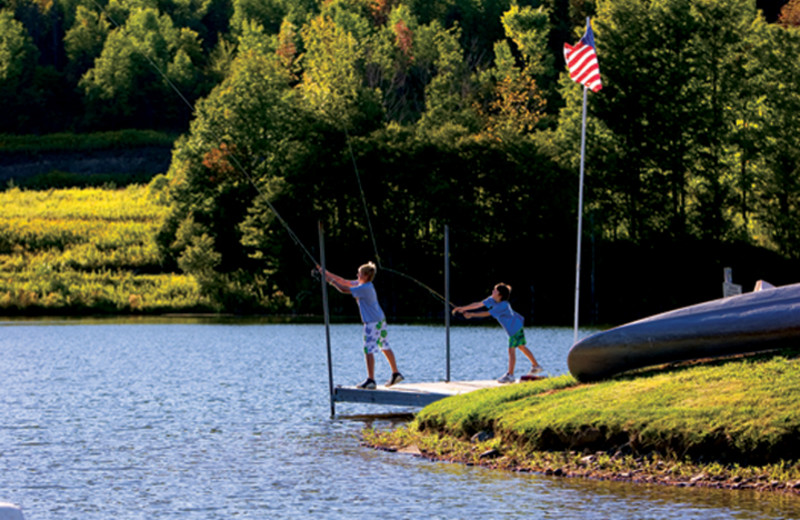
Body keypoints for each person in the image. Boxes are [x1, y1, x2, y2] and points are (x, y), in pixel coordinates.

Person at [319, 261, 404, 389]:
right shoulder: (363, 284)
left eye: (359, 273)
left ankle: (371, 380)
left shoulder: (364, 288)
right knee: (384, 345)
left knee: (368, 349)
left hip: (372, 322)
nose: (357, 275)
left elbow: (343, 289)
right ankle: (396, 373)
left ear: (365, 275)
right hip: (380, 320)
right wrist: (325, 273)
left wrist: (330, 282)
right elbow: (344, 281)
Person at [452, 283, 543, 384]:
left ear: (500, 295)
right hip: (516, 326)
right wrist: (463, 308)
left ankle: (510, 375)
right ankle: (536, 366)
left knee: (511, 350)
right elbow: (478, 304)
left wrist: (471, 314)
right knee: (521, 347)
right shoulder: (491, 299)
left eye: (495, 291)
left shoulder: (503, 305)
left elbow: (487, 313)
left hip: (515, 328)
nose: (493, 292)